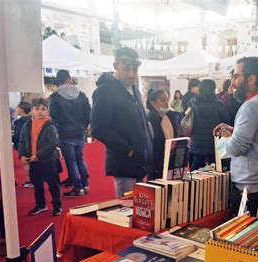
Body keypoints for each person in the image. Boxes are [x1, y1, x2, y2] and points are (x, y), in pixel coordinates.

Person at [213, 57, 258, 216]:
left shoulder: (250, 107)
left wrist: (225, 136)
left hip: (249, 189)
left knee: (244, 237)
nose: (232, 83)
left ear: (251, 79)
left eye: (236, 76)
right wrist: (234, 131)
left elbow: (236, 148)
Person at [91, 47, 153, 197]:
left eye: (134, 69)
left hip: (140, 159)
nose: (131, 74)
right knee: (127, 208)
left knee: (140, 207)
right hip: (124, 160)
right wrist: (126, 148)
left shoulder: (135, 90)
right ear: (115, 66)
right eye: (126, 69)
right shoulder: (105, 91)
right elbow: (98, 128)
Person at [49, 70, 91, 197]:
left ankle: (78, 188)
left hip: (64, 133)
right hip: (80, 131)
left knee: (71, 161)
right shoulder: (82, 95)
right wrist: (84, 126)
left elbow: (54, 118)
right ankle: (85, 184)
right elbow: (88, 112)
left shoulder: (54, 97)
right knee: (80, 158)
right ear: (69, 79)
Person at [18, 98, 62, 216]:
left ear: (47, 111)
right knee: (37, 185)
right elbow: (22, 141)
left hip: (47, 161)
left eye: (43, 109)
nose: (40, 112)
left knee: (53, 185)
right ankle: (40, 205)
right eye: (37, 109)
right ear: (32, 110)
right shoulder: (27, 125)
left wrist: (38, 155)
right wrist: (22, 154)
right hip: (33, 161)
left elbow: (52, 144)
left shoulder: (50, 126)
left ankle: (57, 206)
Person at [189, 80, 230, 170]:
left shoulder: (192, 103)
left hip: (197, 143)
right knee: (215, 170)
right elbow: (226, 121)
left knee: (195, 170)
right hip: (214, 143)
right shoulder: (218, 104)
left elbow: (186, 118)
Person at [146, 89, 181, 179]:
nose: (166, 103)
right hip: (157, 165)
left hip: (173, 162)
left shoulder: (171, 116)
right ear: (154, 103)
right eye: (163, 100)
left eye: (167, 100)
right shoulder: (149, 120)